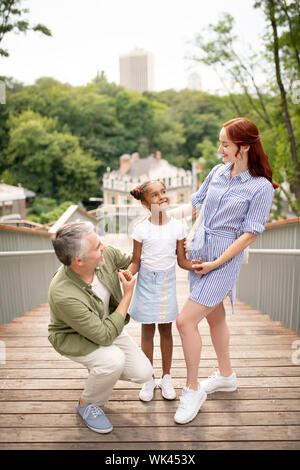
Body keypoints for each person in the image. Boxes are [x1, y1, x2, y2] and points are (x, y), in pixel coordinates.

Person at [173, 117, 279, 425]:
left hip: (223, 260)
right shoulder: (217, 172)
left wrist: (218, 263)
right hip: (200, 251)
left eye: (225, 144)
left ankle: (192, 389)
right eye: (221, 142)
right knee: (214, 316)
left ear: (243, 147)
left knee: (185, 321)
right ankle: (225, 375)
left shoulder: (260, 188)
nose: (220, 149)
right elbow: (194, 206)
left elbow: (249, 234)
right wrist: (155, 215)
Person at [48, 221, 153, 434]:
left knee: (144, 373)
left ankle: (100, 369)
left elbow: (134, 259)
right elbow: (104, 337)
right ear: (79, 260)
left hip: (106, 324)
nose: (103, 247)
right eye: (97, 247)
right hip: (74, 336)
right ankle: (87, 404)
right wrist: (128, 294)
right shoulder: (63, 294)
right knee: (112, 359)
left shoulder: (105, 256)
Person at [121, 180, 194, 403]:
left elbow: (181, 261)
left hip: (167, 282)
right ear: (145, 204)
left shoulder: (178, 227)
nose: (162, 197)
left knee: (165, 330)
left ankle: (167, 377)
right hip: (145, 283)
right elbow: (136, 262)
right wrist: (128, 273)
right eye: (154, 195)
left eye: (163, 192)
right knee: (147, 332)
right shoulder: (141, 229)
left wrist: (196, 265)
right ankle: (148, 379)